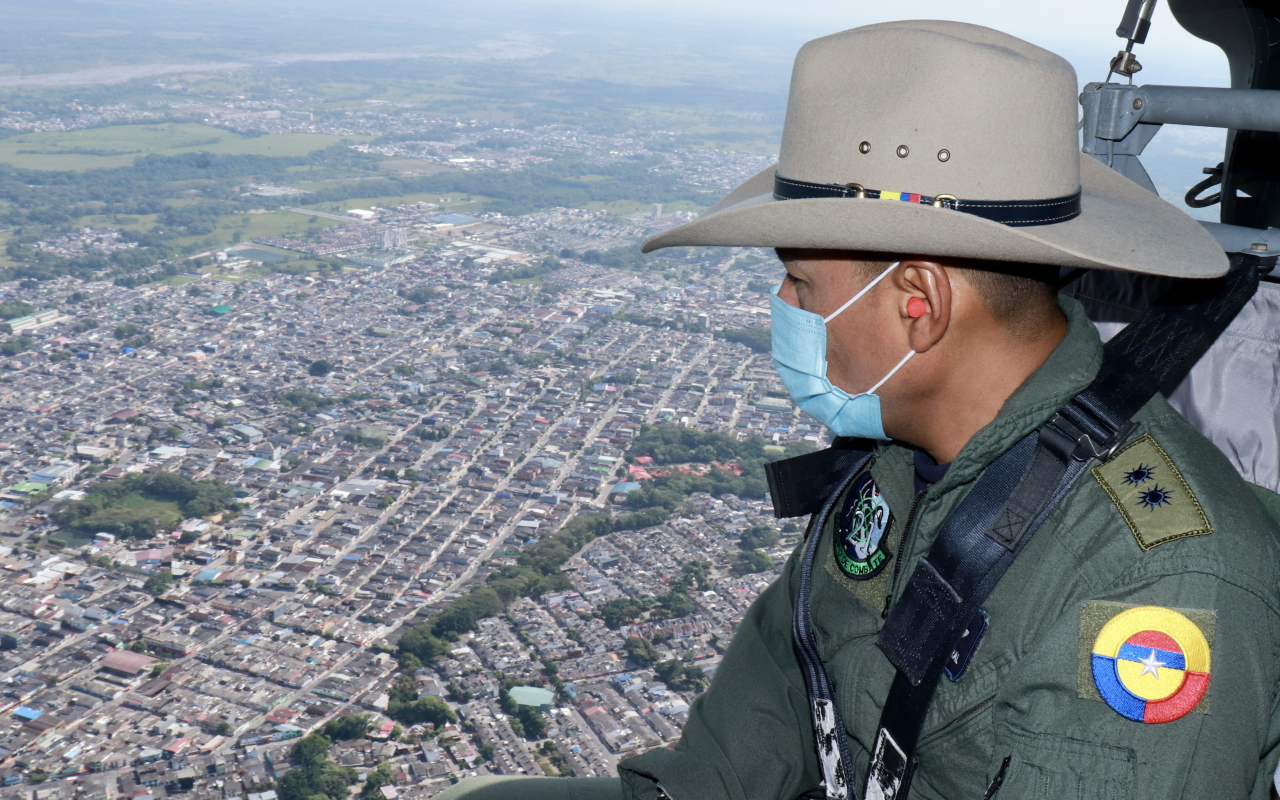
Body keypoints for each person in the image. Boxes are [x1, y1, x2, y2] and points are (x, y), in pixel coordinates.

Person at [439, 20, 1280, 800]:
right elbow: (791, 658)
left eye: (801, 282)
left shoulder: (1155, 589)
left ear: (919, 302)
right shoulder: (898, 454)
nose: (783, 303)